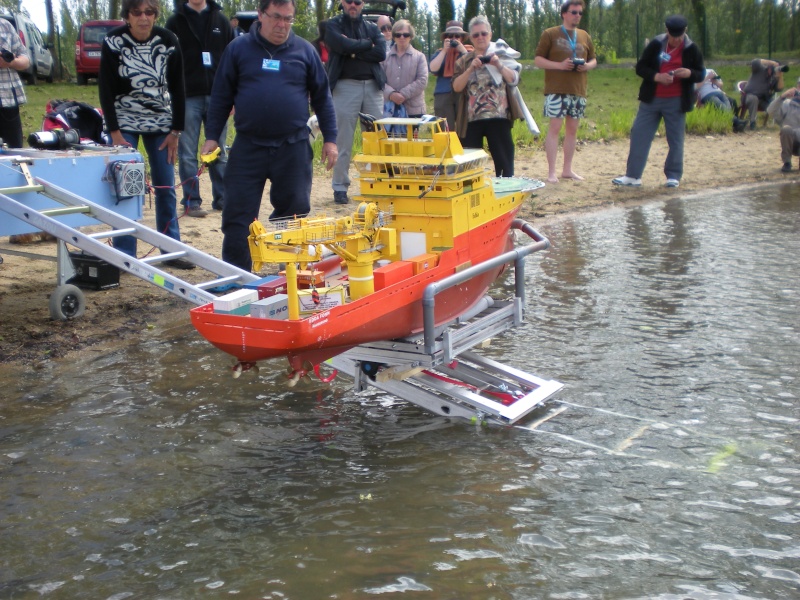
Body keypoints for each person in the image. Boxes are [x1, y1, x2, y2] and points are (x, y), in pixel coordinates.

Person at [201, 0, 338, 272]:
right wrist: (212, 136)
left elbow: (323, 98)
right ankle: (237, 276)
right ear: (261, 15)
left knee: (294, 214)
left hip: (293, 145)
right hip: (249, 145)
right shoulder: (238, 49)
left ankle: (288, 275)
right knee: (238, 215)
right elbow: (220, 97)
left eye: (288, 19)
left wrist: (331, 139)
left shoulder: (305, 51)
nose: (282, 25)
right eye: (277, 17)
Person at [99, 0, 193, 269]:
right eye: (137, 12)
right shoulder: (113, 41)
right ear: (127, 16)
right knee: (127, 187)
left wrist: (176, 131)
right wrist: (114, 132)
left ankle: (171, 249)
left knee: (165, 186)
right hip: (124, 122)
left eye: (149, 12)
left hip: (162, 123)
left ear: (156, 15)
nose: (144, 18)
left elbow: (178, 88)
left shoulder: (169, 40)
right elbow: (105, 88)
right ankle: (124, 254)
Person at [612, 15, 704, 189]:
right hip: (651, 98)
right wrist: (657, 76)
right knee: (639, 133)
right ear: (666, 30)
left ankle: (673, 176)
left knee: (675, 139)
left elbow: (701, 72)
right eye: (672, 35)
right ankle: (633, 176)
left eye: (679, 36)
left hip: (676, 100)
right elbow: (640, 67)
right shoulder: (656, 44)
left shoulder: (692, 48)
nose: (676, 40)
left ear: (685, 31)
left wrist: (689, 73)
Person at [166, 0, 233, 218]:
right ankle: (191, 201)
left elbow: (233, 59)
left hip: (218, 95)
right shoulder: (174, 22)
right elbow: (167, 61)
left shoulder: (221, 21)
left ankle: (222, 198)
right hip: (187, 96)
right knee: (187, 152)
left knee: (218, 151)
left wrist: (233, 96)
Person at [325, 0, 386, 205]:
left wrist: (351, 49)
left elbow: (381, 52)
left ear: (363, 4)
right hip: (344, 86)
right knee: (343, 140)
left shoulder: (372, 27)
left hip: (372, 87)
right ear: (342, 2)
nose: (353, 5)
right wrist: (367, 44)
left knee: (376, 140)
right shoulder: (333, 25)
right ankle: (340, 187)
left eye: (357, 1)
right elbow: (340, 45)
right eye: (349, 1)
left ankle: (375, 185)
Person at [534, 0, 596, 183]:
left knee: (572, 130)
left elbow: (594, 60)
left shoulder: (584, 35)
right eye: (574, 12)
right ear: (564, 13)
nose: (577, 16)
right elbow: (537, 60)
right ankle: (551, 172)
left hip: (577, 90)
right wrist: (560, 66)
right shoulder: (550, 34)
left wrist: (586, 66)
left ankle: (567, 170)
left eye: (580, 13)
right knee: (555, 128)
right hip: (556, 89)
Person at [452, 15, 522, 177]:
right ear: (470, 38)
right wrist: (470, 69)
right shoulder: (463, 61)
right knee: (470, 169)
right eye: (476, 35)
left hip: (499, 118)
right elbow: (456, 87)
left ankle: (505, 196)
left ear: (490, 35)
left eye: (484, 33)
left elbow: (513, 79)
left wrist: (498, 64)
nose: (480, 38)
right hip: (471, 120)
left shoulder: (501, 54)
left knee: (505, 168)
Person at [428, 20, 470, 132]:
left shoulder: (468, 51)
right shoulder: (440, 53)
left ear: (462, 38)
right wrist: (444, 51)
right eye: (450, 36)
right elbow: (432, 68)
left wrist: (463, 51)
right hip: (443, 93)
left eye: (457, 36)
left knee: (464, 129)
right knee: (444, 130)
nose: (454, 39)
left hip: (463, 92)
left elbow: (473, 65)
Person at [382, 20, 428, 119]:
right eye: (398, 35)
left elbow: (422, 80)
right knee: (389, 135)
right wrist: (391, 94)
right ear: (394, 37)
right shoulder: (384, 58)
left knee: (412, 135)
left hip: (414, 110)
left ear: (411, 36)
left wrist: (403, 94)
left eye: (405, 35)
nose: (402, 37)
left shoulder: (420, 57)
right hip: (389, 110)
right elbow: (379, 80)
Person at [0, 18, 30, 148]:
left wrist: (11, 62)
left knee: (14, 153)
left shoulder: (5, 26)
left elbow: (25, 59)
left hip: (8, 100)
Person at [766, 77, 800, 173]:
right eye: (799, 86)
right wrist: (782, 97)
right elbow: (770, 111)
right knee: (786, 129)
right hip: (790, 144)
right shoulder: (787, 104)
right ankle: (787, 162)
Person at [743, 59, 786, 130]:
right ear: (769, 67)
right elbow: (755, 61)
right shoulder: (759, 69)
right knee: (754, 99)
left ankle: (782, 124)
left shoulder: (774, 78)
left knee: (777, 103)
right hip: (749, 96)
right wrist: (772, 62)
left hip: (764, 100)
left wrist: (780, 76)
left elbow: (779, 89)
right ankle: (752, 123)